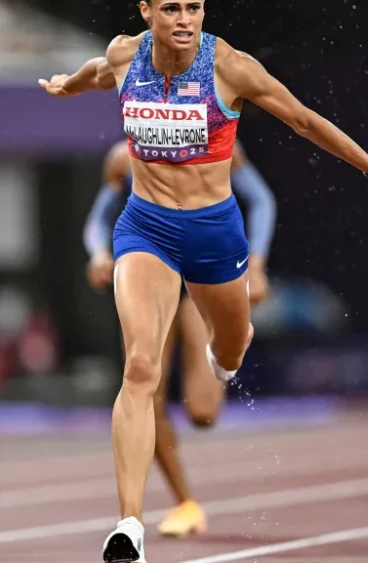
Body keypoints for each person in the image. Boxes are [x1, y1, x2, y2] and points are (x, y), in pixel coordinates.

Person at [39, 0, 368, 563]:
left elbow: (302, 119)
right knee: (140, 367)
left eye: (194, 8)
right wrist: (69, 85)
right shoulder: (125, 56)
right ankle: (130, 527)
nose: (184, 20)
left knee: (232, 348)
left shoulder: (230, 67)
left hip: (214, 234)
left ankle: (225, 356)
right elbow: (98, 71)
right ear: (146, 13)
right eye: (171, 9)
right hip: (145, 229)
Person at [83, 138, 276, 538]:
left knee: (203, 414)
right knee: (143, 384)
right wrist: (99, 253)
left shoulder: (215, 138)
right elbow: (97, 219)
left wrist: (256, 264)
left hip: (204, 274)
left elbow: (261, 200)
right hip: (153, 268)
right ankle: (184, 502)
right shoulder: (122, 158)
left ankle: (227, 346)